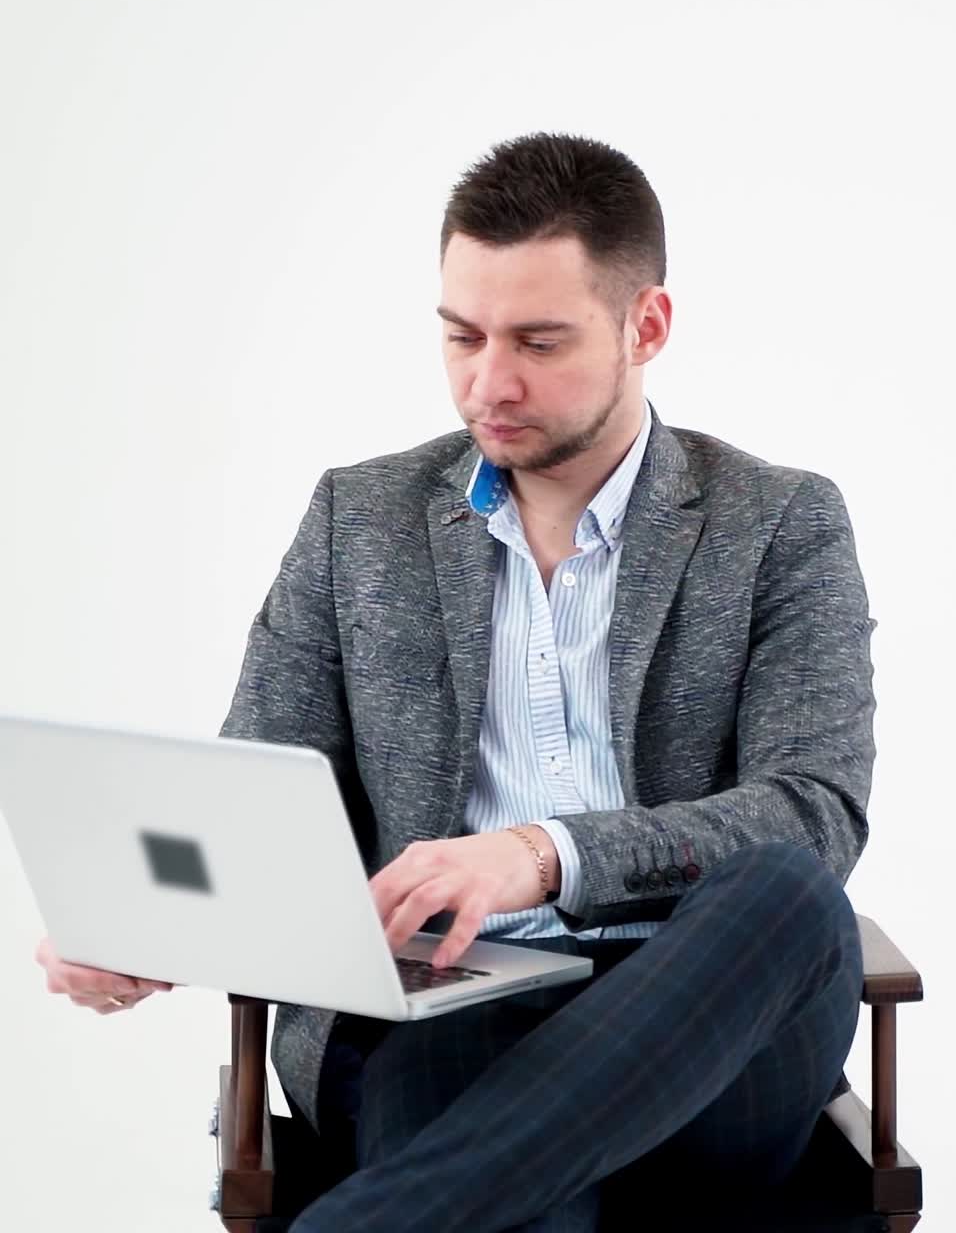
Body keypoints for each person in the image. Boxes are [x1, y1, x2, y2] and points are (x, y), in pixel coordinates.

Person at [35, 131, 878, 1232]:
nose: (489, 382)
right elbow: (260, 800)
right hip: (450, 1010)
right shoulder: (359, 519)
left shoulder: (778, 521)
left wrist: (541, 854)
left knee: (788, 890)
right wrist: (147, 927)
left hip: (708, 1025)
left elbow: (813, 811)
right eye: (462, 335)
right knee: (494, 1160)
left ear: (645, 326)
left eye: (538, 340)